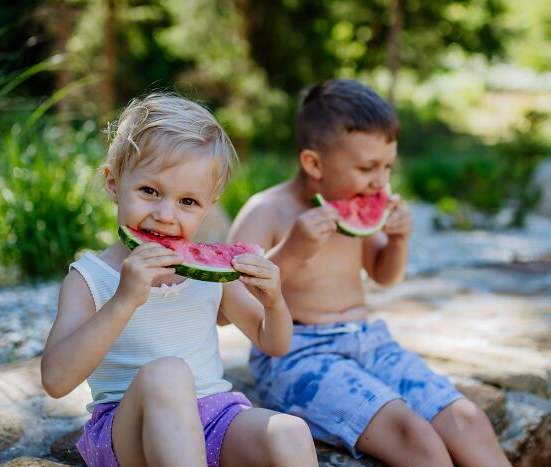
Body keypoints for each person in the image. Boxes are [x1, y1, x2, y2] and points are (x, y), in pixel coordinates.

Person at [228, 79, 511, 467]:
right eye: (367, 167)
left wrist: (398, 241)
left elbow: (383, 274)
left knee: (469, 420)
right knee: (416, 438)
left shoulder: (353, 201)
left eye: (387, 167)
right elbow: (224, 306)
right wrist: (291, 252)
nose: (381, 181)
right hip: (297, 355)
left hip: (369, 342)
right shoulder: (267, 211)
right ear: (313, 163)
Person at [41, 93, 318, 467]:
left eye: (188, 201)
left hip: (214, 418)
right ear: (112, 183)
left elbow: (274, 343)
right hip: (130, 430)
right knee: (168, 373)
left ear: (210, 204)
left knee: (291, 432)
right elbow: (56, 381)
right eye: (149, 191)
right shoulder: (89, 279)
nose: (165, 215)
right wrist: (123, 301)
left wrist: (274, 301)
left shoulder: (211, 276)